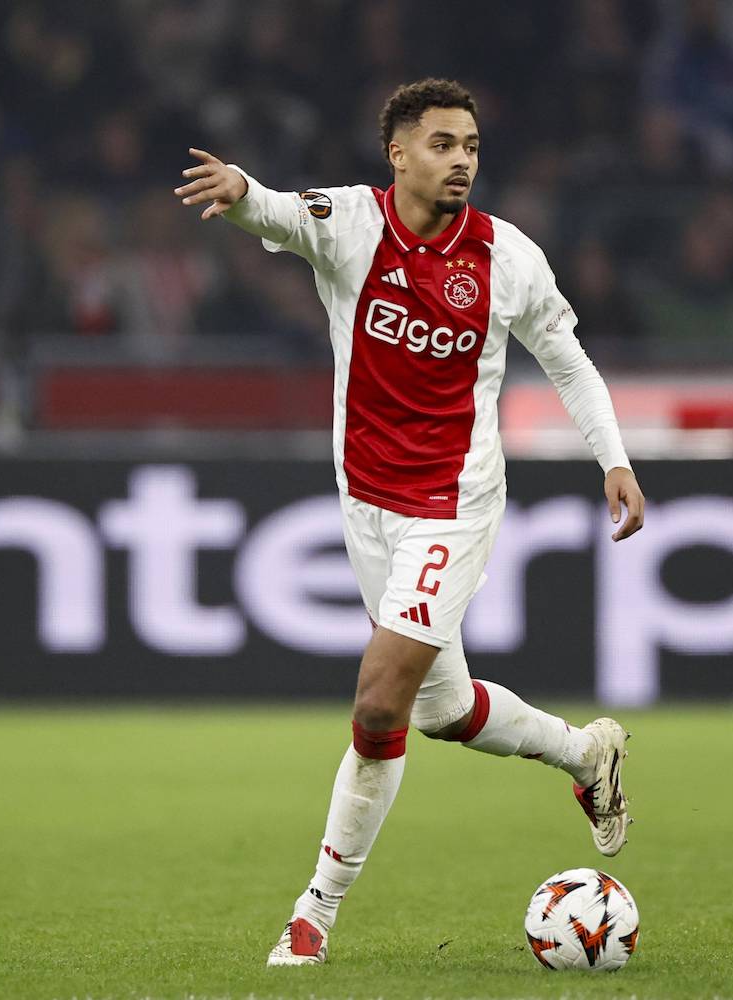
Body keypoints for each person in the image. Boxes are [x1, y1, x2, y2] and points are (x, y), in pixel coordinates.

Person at [173, 78, 645, 968]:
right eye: (441, 144)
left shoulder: (508, 258)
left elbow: (570, 364)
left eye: (470, 144)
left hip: (454, 504)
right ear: (399, 155)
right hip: (366, 501)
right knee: (442, 710)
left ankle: (314, 913)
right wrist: (237, 191)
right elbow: (272, 209)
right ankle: (587, 755)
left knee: (378, 697)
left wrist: (613, 459)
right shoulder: (352, 224)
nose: (461, 158)